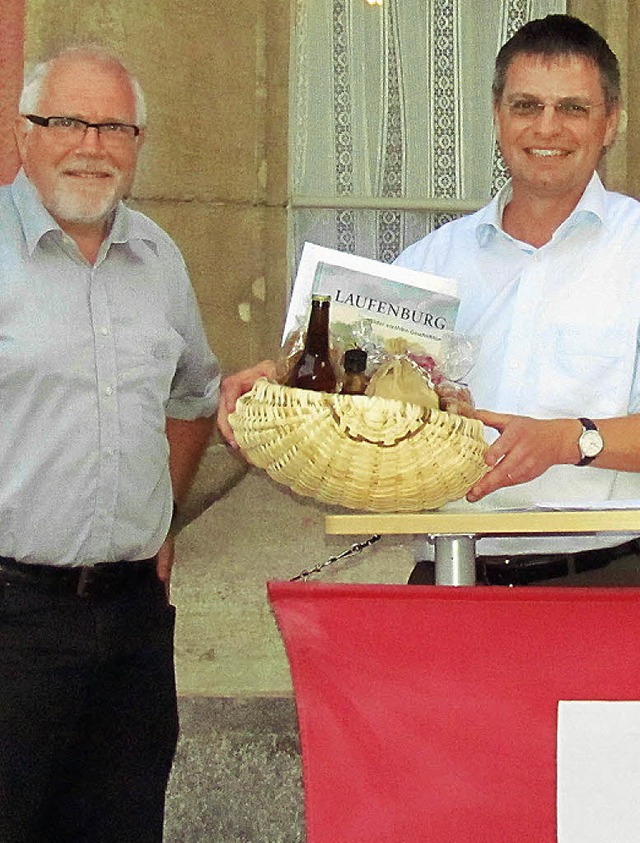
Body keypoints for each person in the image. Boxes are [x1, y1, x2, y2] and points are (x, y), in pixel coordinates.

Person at [219, 14, 640, 587]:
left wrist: (571, 439)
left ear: (611, 122)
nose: (547, 128)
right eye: (526, 106)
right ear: (497, 115)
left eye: (573, 108)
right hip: (445, 578)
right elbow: (348, 395)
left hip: (602, 585)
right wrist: (272, 393)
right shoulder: (428, 265)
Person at [0, 47, 219, 842]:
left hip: (131, 626)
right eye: (67, 122)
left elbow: (194, 395)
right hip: (12, 620)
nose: (92, 145)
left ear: (138, 142)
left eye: (114, 127)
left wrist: (162, 520)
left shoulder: (159, 259)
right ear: (26, 135)